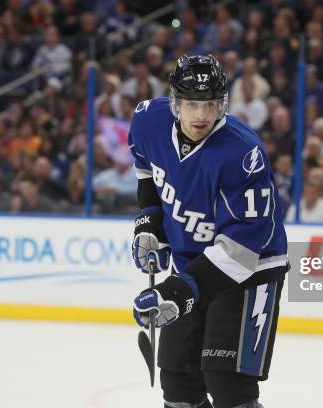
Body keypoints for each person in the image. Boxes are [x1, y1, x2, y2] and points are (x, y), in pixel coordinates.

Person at [128, 55, 288, 408]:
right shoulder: (147, 121)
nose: (201, 115)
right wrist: (152, 222)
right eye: (192, 105)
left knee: (228, 383)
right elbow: (145, 170)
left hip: (252, 269)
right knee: (178, 379)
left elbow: (242, 248)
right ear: (175, 103)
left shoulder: (242, 152)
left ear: (222, 104)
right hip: (192, 264)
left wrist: (179, 290)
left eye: (211, 105)